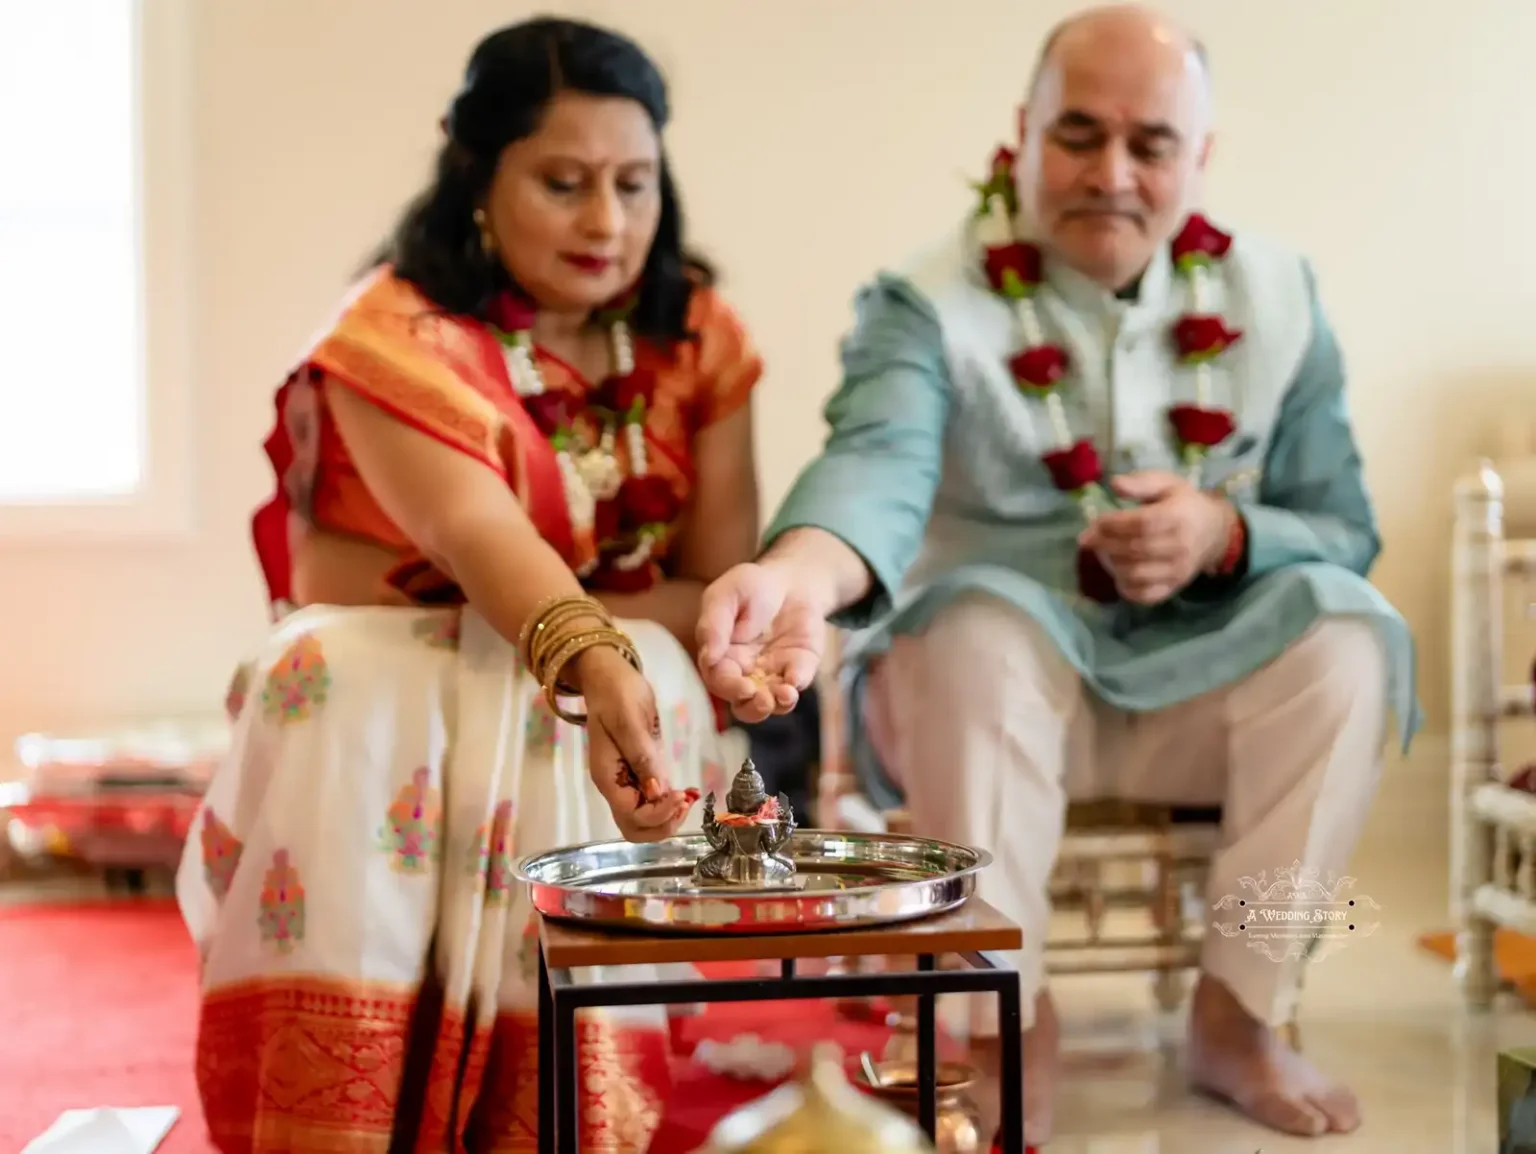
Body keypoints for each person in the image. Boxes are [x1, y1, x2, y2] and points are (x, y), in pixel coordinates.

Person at [696, 4, 1416, 1146]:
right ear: (1020, 136)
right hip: (977, 706)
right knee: (977, 626)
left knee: (1350, 636)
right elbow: (874, 465)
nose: (1113, 174)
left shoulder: (1281, 299)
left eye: (1152, 144)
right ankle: (999, 1019)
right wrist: (796, 574)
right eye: (1078, 135)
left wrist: (1226, 533)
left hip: (1200, 696)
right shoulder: (928, 300)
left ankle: (1238, 1018)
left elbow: (1341, 525)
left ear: (1202, 160)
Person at [176, 17, 766, 1152]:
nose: (608, 222)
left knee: (569, 681)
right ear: (477, 175)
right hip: (405, 690)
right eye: (565, 182)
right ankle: (339, 1113)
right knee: (336, 670)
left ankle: (561, 1106)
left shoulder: (696, 335)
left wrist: (595, 648)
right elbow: (469, 523)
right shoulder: (391, 337)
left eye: (635, 184)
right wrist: (585, 649)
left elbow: (710, 588)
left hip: (611, 679)